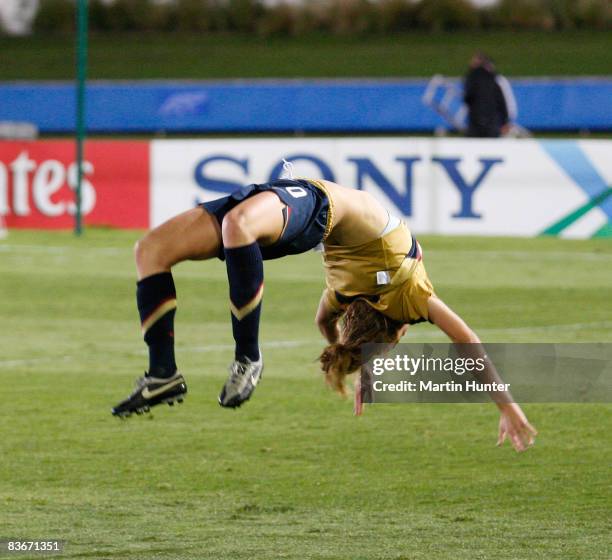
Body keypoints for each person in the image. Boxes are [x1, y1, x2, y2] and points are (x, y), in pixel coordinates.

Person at [111, 177, 536, 452]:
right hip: (294, 204)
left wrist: (509, 407)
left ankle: (249, 358)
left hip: (319, 206)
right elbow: (326, 324)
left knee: (237, 225)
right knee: (152, 251)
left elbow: (468, 341)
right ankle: (162, 374)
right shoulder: (345, 297)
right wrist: (355, 360)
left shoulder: (404, 296)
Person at [463, 51, 517, 138]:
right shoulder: (496, 79)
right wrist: (506, 121)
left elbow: (467, 98)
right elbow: (505, 102)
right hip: (492, 124)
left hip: (476, 123)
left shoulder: (472, 79)